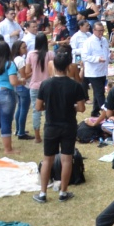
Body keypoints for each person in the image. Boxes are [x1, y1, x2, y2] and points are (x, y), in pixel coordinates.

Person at [34, 51, 87, 203]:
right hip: (68, 125)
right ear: (69, 66)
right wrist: (70, 107)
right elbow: (82, 108)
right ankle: (63, 192)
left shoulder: (46, 84)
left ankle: (43, 193)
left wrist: (50, 106)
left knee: (47, 160)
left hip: (51, 125)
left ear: (53, 66)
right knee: (66, 159)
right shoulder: (75, 85)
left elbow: (38, 107)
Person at [81, 22, 110, 117]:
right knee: (100, 93)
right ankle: (105, 111)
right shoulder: (88, 42)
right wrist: (97, 59)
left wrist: (110, 56)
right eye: (99, 31)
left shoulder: (104, 40)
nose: (101, 33)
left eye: (102, 30)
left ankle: (95, 111)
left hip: (102, 70)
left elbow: (106, 52)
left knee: (99, 91)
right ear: (94, 31)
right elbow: (84, 56)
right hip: (93, 72)